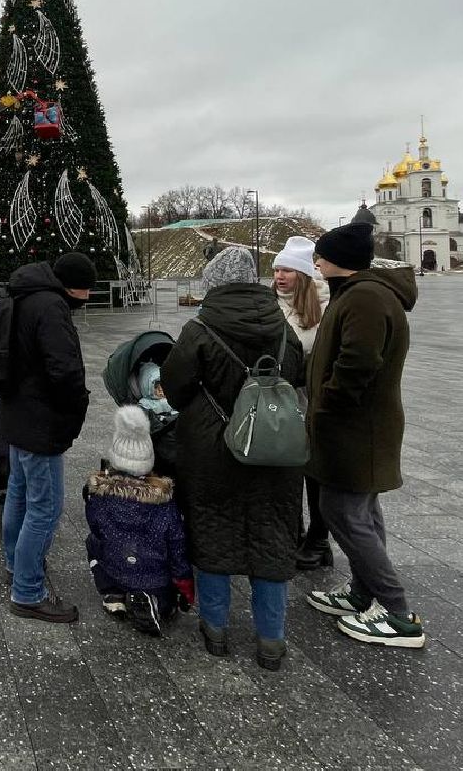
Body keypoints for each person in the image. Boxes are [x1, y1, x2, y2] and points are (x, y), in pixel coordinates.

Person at [160, 246, 305, 670]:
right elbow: (297, 377)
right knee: (272, 535)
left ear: (213, 284)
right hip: (275, 448)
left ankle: (216, 629)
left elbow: (176, 386)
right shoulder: (283, 328)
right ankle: (272, 640)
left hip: (213, 448)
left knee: (212, 531)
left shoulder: (201, 328)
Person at [303, 222, 425, 648]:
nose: (315, 261)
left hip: (356, 427)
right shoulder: (357, 293)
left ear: (339, 260)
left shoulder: (366, 298)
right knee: (362, 513)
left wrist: (325, 406)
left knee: (344, 512)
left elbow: (357, 361)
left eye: (320, 254)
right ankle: (363, 592)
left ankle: (396, 612)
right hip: (355, 425)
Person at [0, 251, 95, 623]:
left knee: (19, 494)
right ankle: (27, 592)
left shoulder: (22, 296)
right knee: (46, 507)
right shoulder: (52, 308)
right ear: (74, 287)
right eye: (84, 294)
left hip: (15, 416)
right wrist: (78, 407)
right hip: (41, 424)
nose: (83, 303)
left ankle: (14, 563)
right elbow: (65, 372)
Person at [83, 406, 193, 636]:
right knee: (166, 594)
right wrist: (185, 585)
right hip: (156, 578)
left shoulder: (100, 496)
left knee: (93, 542)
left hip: (116, 567)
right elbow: (177, 544)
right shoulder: (164, 501)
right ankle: (155, 603)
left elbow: (96, 526)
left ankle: (113, 594)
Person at [271, 236, 333, 571]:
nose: (280, 276)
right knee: (285, 470)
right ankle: (291, 533)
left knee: (315, 474)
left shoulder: (324, 307)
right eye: (277, 269)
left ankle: (319, 539)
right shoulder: (269, 304)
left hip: (310, 400)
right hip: (280, 400)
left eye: (288, 270)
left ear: (305, 275)